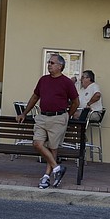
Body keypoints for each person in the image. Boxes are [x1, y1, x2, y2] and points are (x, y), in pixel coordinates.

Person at [17, 54, 79, 189]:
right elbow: (35, 97)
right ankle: (57, 169)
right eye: (48, 62)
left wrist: (67, 115)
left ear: (60, 66)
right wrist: (24, 113)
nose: (49, 64)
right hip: (42, 117)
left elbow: (75, 102)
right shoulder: (43, 80)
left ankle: (46, 177)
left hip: (58, 118)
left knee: (53, 148)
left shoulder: (67, 82)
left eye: (52, 62)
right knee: (37, 144)